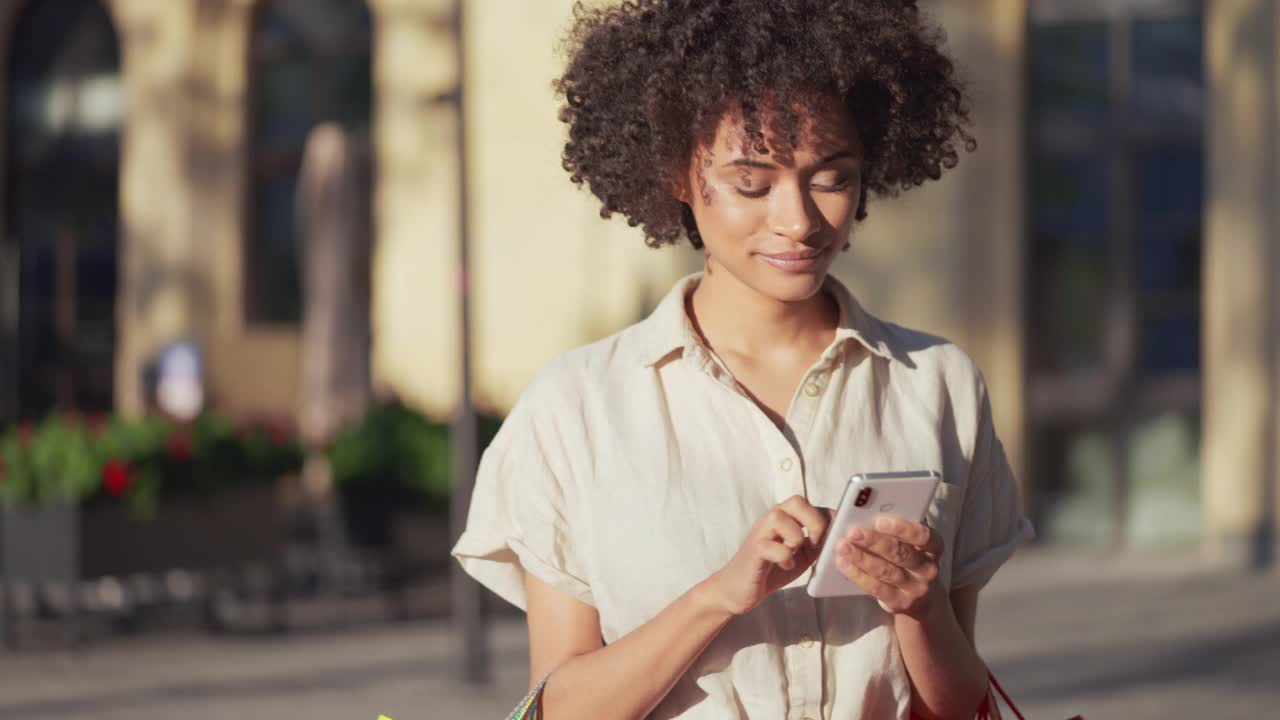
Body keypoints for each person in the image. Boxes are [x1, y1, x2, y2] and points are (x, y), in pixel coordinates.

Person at [452, 1, 1034, 718]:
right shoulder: (575, 407)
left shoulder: (939, 386)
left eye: (832, 178)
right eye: (750, 183)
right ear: (673, 173)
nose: (797, 221)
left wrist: (920, 610)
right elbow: (558, 709)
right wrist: (719, 596)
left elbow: (961, 705)